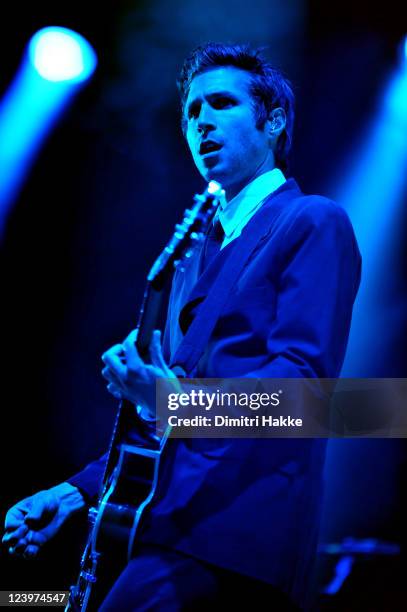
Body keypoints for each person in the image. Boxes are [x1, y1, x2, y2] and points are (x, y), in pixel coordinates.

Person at [2, 43, 361, 610]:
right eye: (191, 112)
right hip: (162, 527)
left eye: (221, 104)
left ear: (273, 121)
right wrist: (76, 493)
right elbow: (161, 413)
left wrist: (167, 400)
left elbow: (305, 397)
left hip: (236, 536)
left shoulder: (312, 220)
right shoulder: (191, 255)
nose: (201, 122)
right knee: (25, 601)